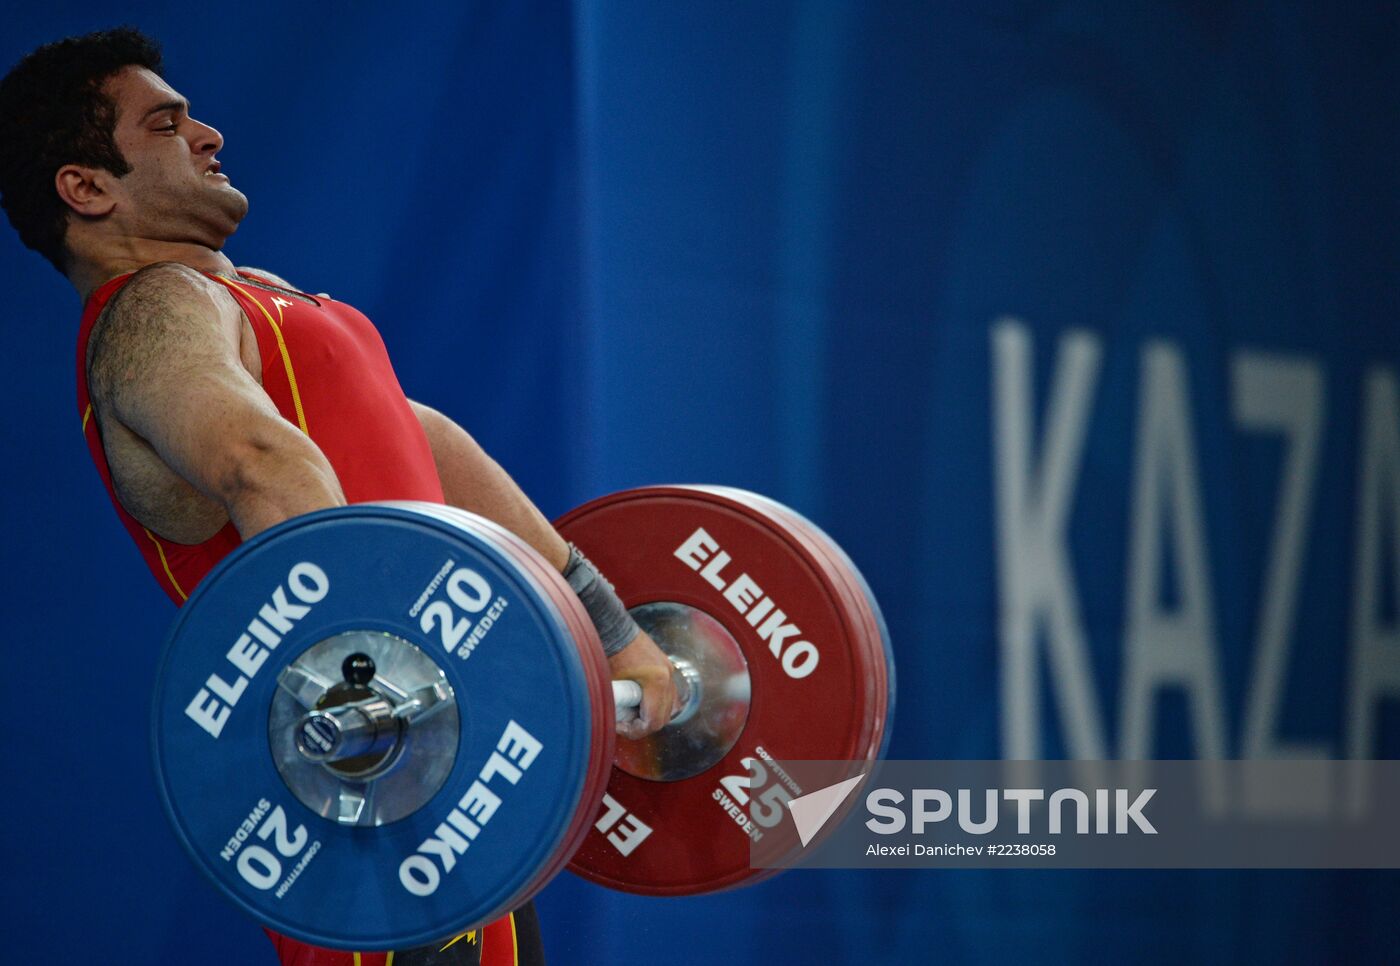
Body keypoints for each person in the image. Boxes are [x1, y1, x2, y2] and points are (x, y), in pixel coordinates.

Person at [0, 27, 679, 966]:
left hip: (441, 787)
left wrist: (619, 638)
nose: (209, 134)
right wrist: (382, 696)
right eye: (166, 124)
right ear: (88, 188)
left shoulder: (262, 304)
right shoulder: (150, 310)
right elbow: (258, 462)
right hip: (372, 808)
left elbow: (427, 446)